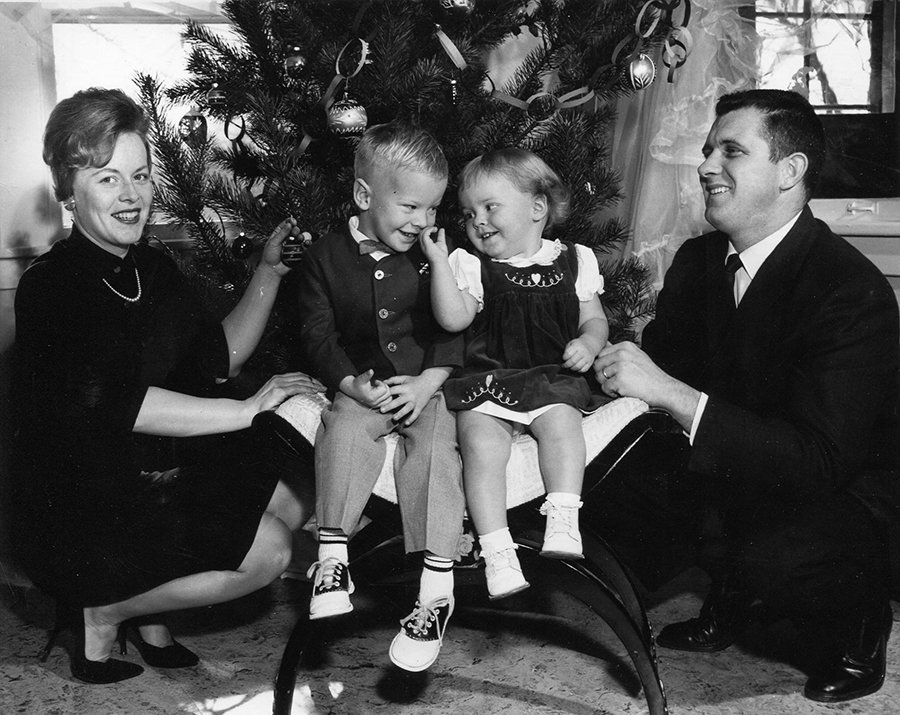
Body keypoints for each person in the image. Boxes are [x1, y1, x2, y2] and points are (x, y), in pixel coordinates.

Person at [593, 89, 900, 703]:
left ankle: (860, 626)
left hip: (837, 491)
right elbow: (665, 382)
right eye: (709, 150)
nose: (707, 166)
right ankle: (729, 586)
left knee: (777, 553)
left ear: (790, 172)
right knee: (601, 498)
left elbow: (820, 461)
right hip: (739, 464)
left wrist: (670, 391)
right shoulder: (699, 260)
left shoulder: (848, 289)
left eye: (732, 151)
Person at [11, 87, 323, 684]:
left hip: (149, 480)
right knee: (272, 552)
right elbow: (119, 407)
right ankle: (106, 610)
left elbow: (217, 358)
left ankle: (151, 617)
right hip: (80, 508)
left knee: (294, 493)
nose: (131, 196)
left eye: (141, 175)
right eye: (107, 179)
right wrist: (251, 411)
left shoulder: (151, 270)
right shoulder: (52, 287)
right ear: (66, 193)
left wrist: (267, 272)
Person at [294, 121, 465, 673]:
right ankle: (332, 558)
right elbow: (316, 335)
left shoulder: (434, 255)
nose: (423, 222)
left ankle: (437, 588)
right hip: (361, 383)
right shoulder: (324, 256)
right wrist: (348, 384)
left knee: (437, 446)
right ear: (365, 196)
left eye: (433, 210)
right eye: (411, 207)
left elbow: (455, 327)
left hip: (423, 386)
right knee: (341, 430)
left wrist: (429, 383)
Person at [420, 148, 610, 600]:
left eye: (490, 207)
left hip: (549, 377)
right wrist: (441, 265)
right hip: (488, 378)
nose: (478, 221)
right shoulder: (471, 265)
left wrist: (588, 343)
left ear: (537, 209)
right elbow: (453, 320)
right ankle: (497, 550)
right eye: (469, 213)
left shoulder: (576, 260)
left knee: (563, 423)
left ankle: (564, 516)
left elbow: (595, 319)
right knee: (481, 444)